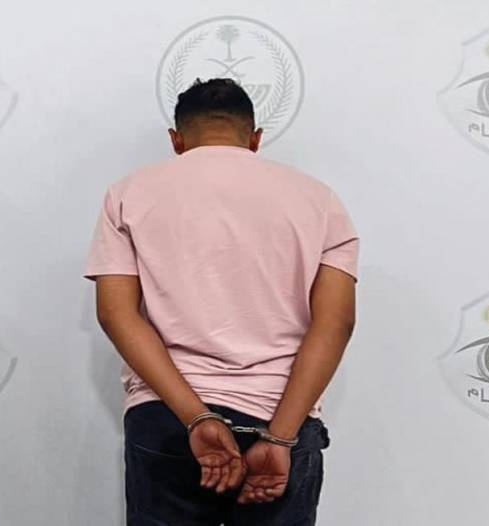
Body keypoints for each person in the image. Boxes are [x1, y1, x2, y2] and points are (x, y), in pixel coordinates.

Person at [86, 78, 358, 525]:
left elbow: (116, 315)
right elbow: (335, 324)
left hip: (167, 417)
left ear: (176, 140)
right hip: (281, 416)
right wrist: (281, 438)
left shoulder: (127, 194)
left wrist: (197, 419)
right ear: (255, 139)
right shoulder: (320, 201)